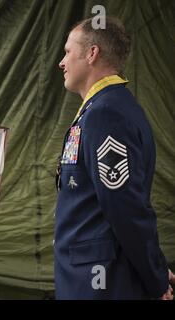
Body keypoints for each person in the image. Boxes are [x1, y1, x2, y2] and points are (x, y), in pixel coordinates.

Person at [54, 17, 174, 299]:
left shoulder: (107, 114)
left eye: (68, 51)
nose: (61, 62)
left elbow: (125, 207)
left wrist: (155, 276)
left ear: (92, 54)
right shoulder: (100, 109)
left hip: (101, 284)